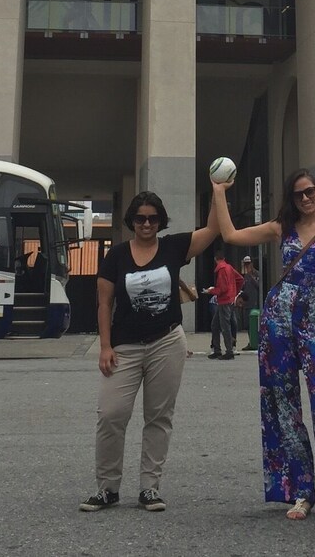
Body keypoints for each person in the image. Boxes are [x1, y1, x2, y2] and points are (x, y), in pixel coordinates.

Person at [212, 169, 315, 525]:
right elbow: (231, 234)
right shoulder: (281, 227)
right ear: (291, 199)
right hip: (277, 315)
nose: (305, 199)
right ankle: (302, 491)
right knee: (284, 404)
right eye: (298, 194)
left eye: (310, 192)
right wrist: (218, 192)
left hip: (314, 317)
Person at [80, 191, 219, 513]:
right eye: (140, 218)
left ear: (160, 221)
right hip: (124, 347)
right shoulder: (116, 256)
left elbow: (213, 229)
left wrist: (218, 191)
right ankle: (107, 489)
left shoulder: (173, 247)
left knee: (159, 417)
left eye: (152, 218)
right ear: (131, 220)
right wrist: (104, 346)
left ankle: (149, 488)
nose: (146, 223)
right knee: (111, 415)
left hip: (166, 342)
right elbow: (104, 303)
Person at [205, 251, 244, 359]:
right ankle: (219, 349)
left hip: (223, 301)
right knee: (216, 324)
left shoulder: (221, 270)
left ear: (215, 259)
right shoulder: (229, 268)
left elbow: (222, 289)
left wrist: (211, 291)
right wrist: (235, 292)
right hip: (230, 299)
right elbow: (240, 279)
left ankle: (228, 351)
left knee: (224, 326)